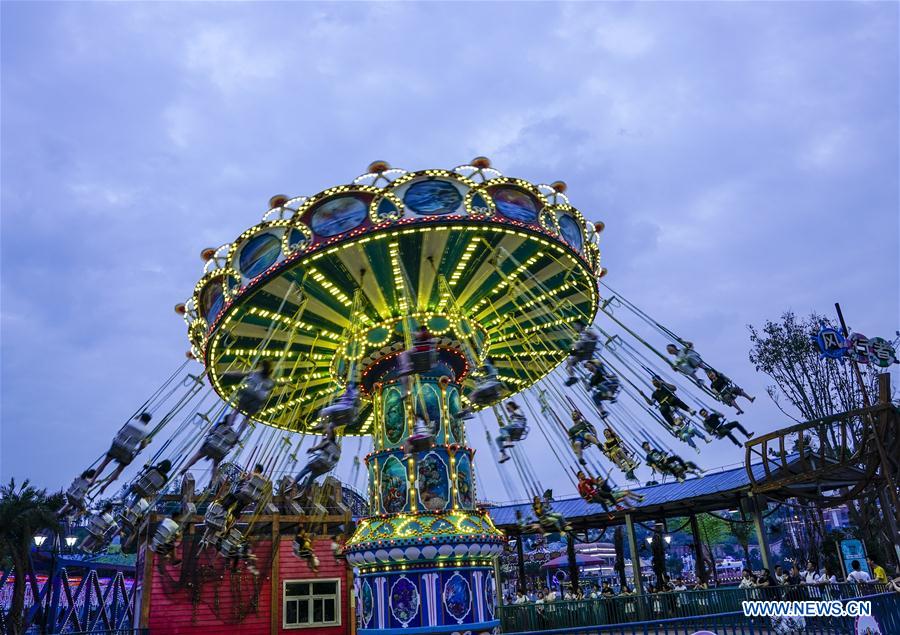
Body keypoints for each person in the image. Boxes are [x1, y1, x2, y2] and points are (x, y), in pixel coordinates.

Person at [90, 412, 153, 495]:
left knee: (105, 463)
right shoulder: (147, 432)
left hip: (117, 444)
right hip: (128, 450)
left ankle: (93, 479)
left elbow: (122, 429)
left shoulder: (131, 422)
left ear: (140, 417)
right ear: (148, 422)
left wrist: (137, 417)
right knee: (119, 469)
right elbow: (142, 445)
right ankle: (105, 486)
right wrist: (142, 446)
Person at [179, 413, 245, 485]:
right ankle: (212, 480)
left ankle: (186, 467)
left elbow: (211, 431)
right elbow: (233, 445)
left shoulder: (219, 425)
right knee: (215, 465)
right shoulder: (233, 433)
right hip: (220, 452)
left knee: (198, 455)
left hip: (210, 446)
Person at [222, 360, 276, 427]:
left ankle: (228, 425)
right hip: (258, 398)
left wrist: (227, 373)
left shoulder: (255, 373)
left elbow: (240, 374)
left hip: (249, 393)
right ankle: (239, 433)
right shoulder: (270, 380)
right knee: (248, 417)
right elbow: (270, 387)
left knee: (237, 411)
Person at [294, 426, 341, 495]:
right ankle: (305, 491)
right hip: (328, 467)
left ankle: (293, 483)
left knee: (306, 469)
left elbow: (317, 448)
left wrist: (311, 449)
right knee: (312, 477)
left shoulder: (327, 441)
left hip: (321, 462)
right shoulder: (337, 447)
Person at [576, 471, 643, 511]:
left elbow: (595, 483)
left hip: (610, 495)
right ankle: (631, 506)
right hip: (606, 500)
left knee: (626, 493)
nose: (583, 475)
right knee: (624, 497)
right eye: (581, 474)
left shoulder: (590, 481)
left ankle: (637, 499)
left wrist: (592, 478)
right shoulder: (581, 485)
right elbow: (584, 494)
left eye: (583, 473)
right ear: (579, 477)